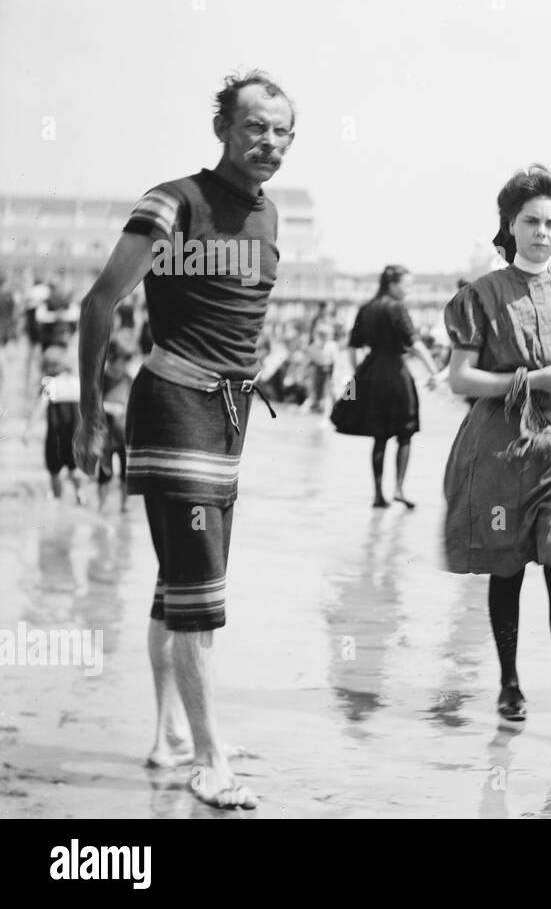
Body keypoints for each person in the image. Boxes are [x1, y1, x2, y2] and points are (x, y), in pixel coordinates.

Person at [73, 69, 297, 810]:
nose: (270, 141)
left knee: (178, 586)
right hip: (174, 407)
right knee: (201, 593)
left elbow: (246, 323)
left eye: (282, 131)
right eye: (256, 126)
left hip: (229, 420)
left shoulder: (269, 218)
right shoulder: (174, 200)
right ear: (224, 129)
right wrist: (87, 416)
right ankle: (209, 762)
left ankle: (171, 735)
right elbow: (99, 301)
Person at [442, 164, 551, 745]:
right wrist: (531, 378)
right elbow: (460, 379)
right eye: (530, 221)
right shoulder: (479, 296)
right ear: (509, 226)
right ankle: (510, 681)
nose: (541, 231)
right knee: (507, 568)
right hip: (499, 452)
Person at [344, 266, 440, 507]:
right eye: (407, 285)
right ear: (393, 284)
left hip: (371, 372)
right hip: (396, 374)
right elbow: (416, 345)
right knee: (404, 432)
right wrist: (435, 373)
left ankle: (378, 494)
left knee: (380, 435)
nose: (409, 290)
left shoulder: (366, 308)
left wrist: (358, 373)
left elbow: (353, 347)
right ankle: (398, 489)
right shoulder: (397, 308)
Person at [23, 345, 84, 503]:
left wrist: (28, 430)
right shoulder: (76, 382)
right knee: (74, 468)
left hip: (55, 436)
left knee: (54, 471)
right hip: (75, 436)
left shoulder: (50, 384)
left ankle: (58, 498)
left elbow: (39, 408)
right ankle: (79, 493)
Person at [96, 332, 135, 512]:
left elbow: (137, 404)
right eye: (122, 360)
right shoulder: (101, 379)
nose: (124, 364)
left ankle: (124, 505)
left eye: (127, 360)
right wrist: (109, 408)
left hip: (125, 434)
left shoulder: (128, 379)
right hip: (106, 434)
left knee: (126, 473)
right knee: (105, 472)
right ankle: (102, 505)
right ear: (111, 359)